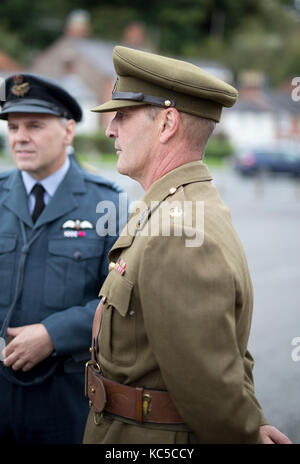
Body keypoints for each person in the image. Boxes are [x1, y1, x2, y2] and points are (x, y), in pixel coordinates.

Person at [83, 46, 291, 444]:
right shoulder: (180, 207)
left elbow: (207, 376)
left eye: (122, 116)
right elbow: (224, 349)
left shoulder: (177, 229)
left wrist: (245, 432)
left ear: (166, 124)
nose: (110, 129)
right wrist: (252, 418)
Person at [0, 73, 123, 443]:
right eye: (14, 126)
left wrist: (54, 334)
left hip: (67, 396)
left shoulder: (108, 203)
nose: (20, 137)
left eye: (35, 125)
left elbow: (121, 301)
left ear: (68, 132)